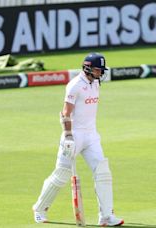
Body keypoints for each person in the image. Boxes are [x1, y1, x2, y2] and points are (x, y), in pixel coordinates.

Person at [32, 53, 124, 226]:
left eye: (101, 70)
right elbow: (65, 113)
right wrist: (68, 135)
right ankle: (39, 208)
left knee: (103, 171)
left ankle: (106, 216)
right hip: (73, 136)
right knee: (61, 175)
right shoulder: (74, 86)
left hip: (91, 136)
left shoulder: (96, 83)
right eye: (98, 70)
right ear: (88, 68)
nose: (100, 73)